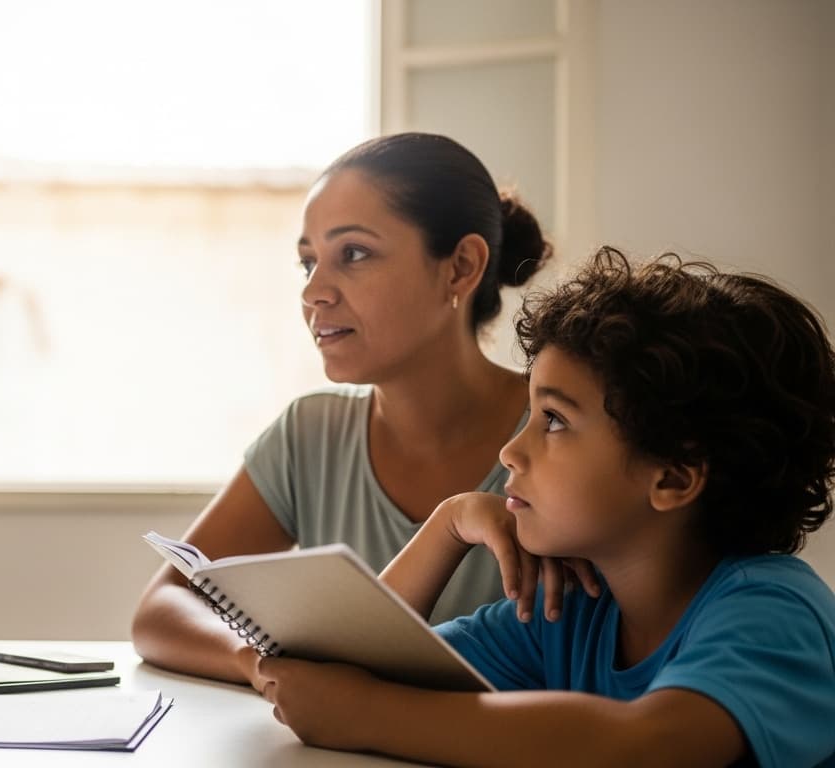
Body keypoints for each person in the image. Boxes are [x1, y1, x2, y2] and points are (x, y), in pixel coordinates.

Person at [259, 248, 835, 767]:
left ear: (674, 477)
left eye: (554, 420)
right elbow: (336, 671)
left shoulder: (774, 611)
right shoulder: (574, 612)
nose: (511, 450)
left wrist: (369, 716)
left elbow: (651, 746)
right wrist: (449, 524)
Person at [131, 133, 557, 688]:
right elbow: (163, 607)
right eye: (308, 262)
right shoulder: (310, 435)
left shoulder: (561, 432)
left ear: (460, 267)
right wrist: (261, 666)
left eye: (353, 254)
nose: (313, 292)